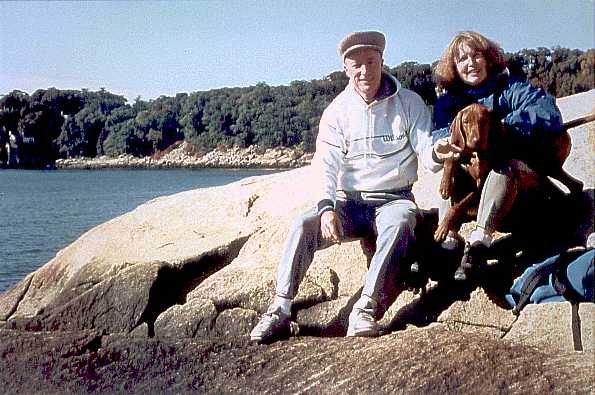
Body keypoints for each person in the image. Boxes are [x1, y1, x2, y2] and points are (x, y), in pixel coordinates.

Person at [249, 31, 443, 343]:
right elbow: (325, 164)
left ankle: (366, 309)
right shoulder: (336, 112)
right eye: (357, 65)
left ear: (381, 60)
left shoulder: (409, 103)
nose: (365, 71)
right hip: (349, 203)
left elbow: (427, 153)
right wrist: (327, 209)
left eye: (371, 61)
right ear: (345, 68)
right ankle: (280, 308)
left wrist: (440, 153)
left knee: (402, 221)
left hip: (395, 199)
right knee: (303, 224)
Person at [430, 31, 572, 281]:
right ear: (454, 66)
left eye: (476, 55)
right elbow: (441, 133)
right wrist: (445, 146)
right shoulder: (449, 103)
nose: (471, 63)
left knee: (505, 166)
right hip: (478, 190)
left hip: (520, 192)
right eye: (462, 59)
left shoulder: (510, 87)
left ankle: (479, 243)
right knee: (449, 172)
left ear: (488, 59)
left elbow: (547, 112)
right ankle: (448, 245)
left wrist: (499, 125)